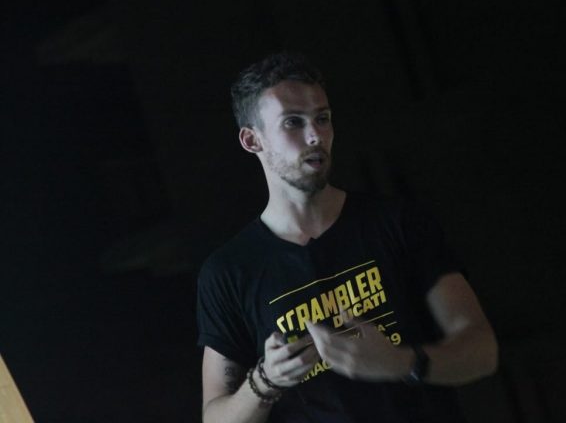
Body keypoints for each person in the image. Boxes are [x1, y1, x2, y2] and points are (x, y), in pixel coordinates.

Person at [197, 52, 498, 423]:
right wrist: (265, 381)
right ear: (251, 140)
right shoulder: (228, 272)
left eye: (322, 118)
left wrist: (400, 362)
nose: (315, 136)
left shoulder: (396, 223)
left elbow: (482, 351)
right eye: (293, 122)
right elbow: (215, 417)